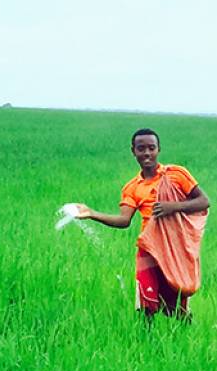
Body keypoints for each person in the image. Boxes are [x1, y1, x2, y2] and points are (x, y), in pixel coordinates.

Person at [74, 129, 210, 319]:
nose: (147, 153)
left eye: (151, 148)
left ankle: (184, 333)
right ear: (133, 151)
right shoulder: (133, 187)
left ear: (159, 149)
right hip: (148, 248)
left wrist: (173, 207)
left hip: (173, 247)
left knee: (176, 302)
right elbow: (124, 220)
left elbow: (203, 201)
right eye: (141, 148)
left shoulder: (176, 175)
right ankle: (145, 336)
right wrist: (91, 213)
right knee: (146, 302)